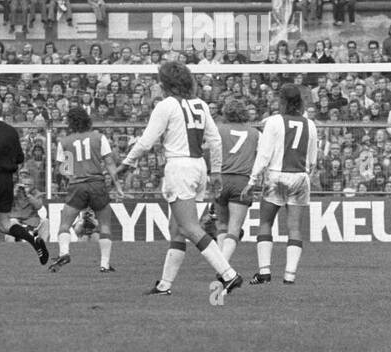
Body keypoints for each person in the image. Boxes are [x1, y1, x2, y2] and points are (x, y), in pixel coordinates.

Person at [116, 60, 242, 296]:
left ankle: (229, 275)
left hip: (179, 167)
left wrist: (125, 165)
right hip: (198, 167)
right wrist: (215, 171)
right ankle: (165, 285)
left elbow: (146, 141)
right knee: (177, 229)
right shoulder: (200, 104)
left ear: (166, 83)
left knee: (190, 227)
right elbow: (214, 141)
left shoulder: (167, 106)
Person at [241, 84, 318, 285]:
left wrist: (252, 180)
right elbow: (313, 159)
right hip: (300, 177)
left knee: (266, 222)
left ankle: (264, 272)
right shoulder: (310, 124)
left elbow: (264, 154)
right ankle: (289, 275)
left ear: (282, 101)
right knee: (294, 227)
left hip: (276, 176)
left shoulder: (274, 122)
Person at [0, 96, 49, 273]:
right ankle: (33, 239)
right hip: (7, 180)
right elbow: (20, 158)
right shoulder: (11, 131)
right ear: (2, 111)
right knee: (4, 223)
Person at [48, 106, 124, 274]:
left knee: (65, 224)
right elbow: (110, 162)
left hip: (77, 186)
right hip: (97, 184)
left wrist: (73, 175)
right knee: (104, 225)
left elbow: (61, 168)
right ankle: (104, 264)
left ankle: (64, 253)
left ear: (70, 122)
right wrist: (117, 185)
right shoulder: (99, 137)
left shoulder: (65, 142)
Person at [212, 98, 259, 265]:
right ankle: (223, 266)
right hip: (242, 181)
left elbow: (209, 150)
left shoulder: (219, 130)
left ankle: (221, 265)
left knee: (221, 224)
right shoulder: (254, 133)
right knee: (235, 228)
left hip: (221, 179)